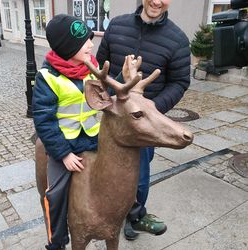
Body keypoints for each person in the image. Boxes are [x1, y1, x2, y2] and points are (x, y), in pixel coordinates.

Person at [96, 0, 191, 240]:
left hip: (145, 125)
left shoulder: (178, 39)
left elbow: (180, 82)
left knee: (138, 174)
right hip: (114, 120)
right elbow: (100, 68)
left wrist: (150, 109)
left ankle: (134, 216)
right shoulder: (116, 26)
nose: (157, 1)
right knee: (106, 168)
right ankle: (107, 209)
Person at [32, 14, 101, 250]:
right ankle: (57, 240)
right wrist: (62, 154)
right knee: (56, 194)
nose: (91, 45)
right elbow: (44, 120)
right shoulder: (48, 78)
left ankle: (130, 211)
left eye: (90, 39)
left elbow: (106, 92)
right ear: (67, 47)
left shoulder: (93, 66)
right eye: (85, 42)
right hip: (65, 144)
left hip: (93, 136)